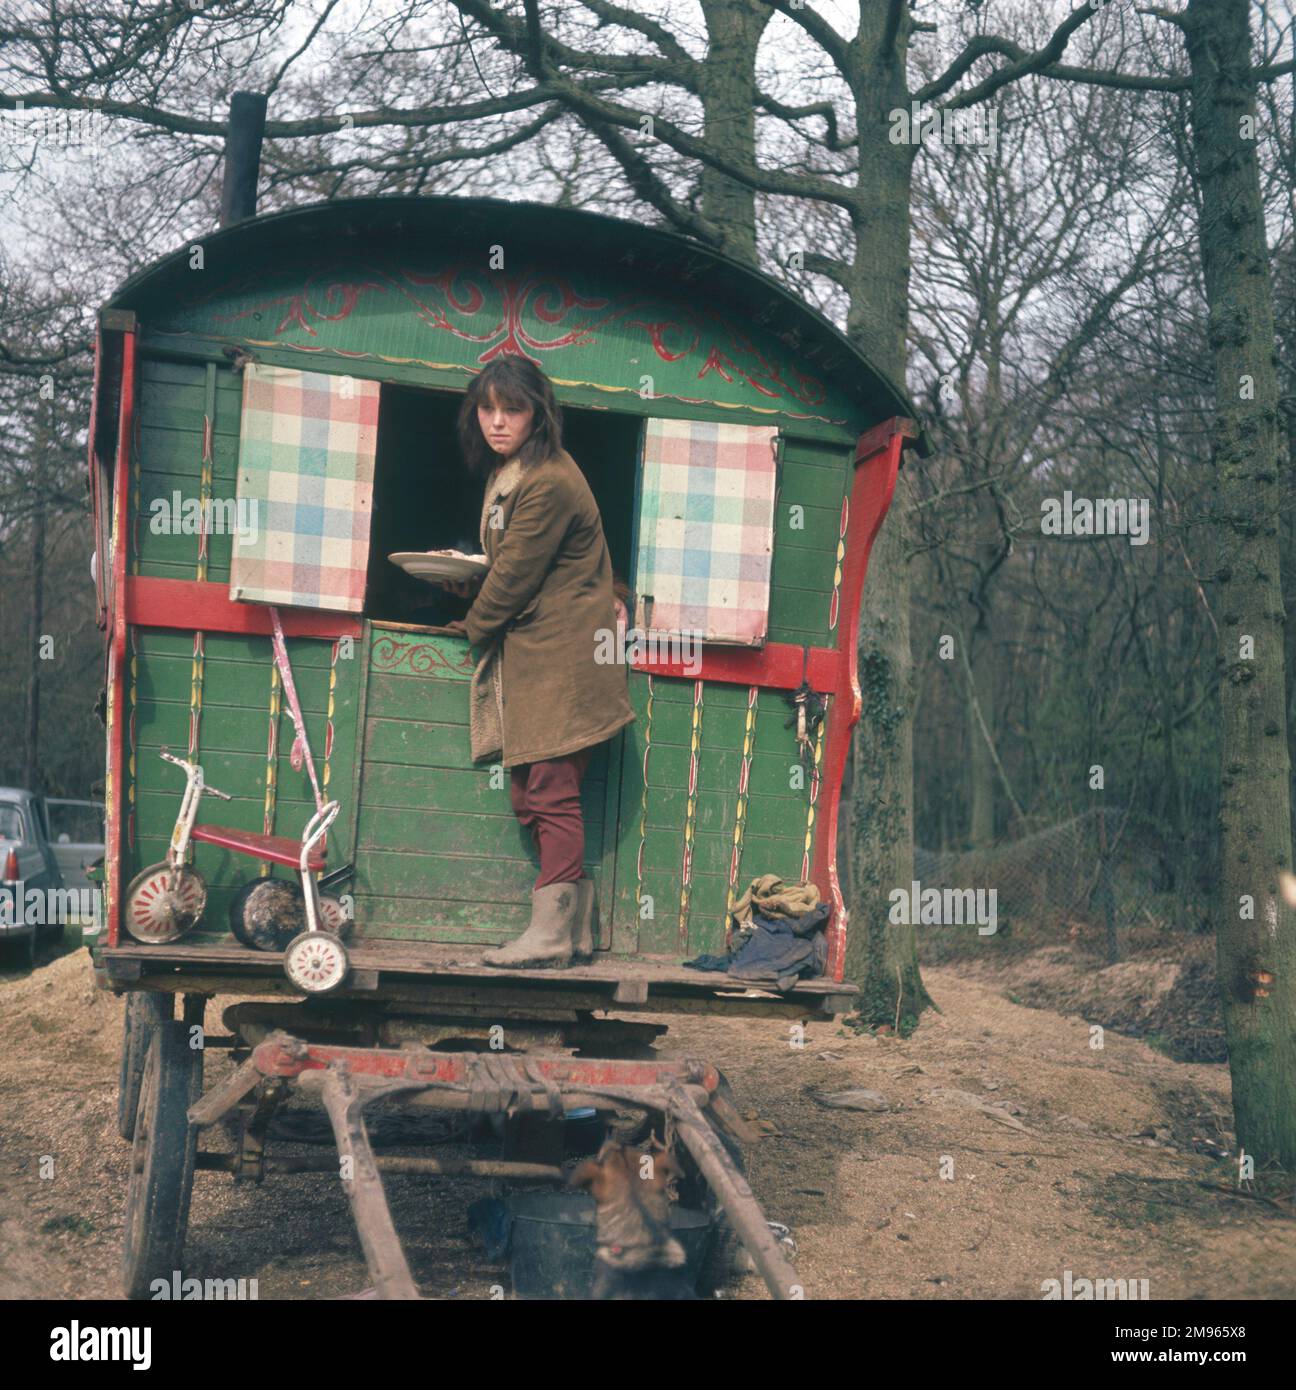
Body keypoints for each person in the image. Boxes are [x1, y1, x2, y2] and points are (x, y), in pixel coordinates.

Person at [438, 356, 635, 969]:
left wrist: (473, 627)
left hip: (565, 659)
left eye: (513, 409)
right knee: (532, 793)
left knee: (549, 792)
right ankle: (574, 930)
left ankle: (550, 933)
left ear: (537, 414)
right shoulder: (513, 472)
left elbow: (517, 575)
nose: (498, 421)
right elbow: (512, 566)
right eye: (487, 408)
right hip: (542, 653)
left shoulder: (548, 480)